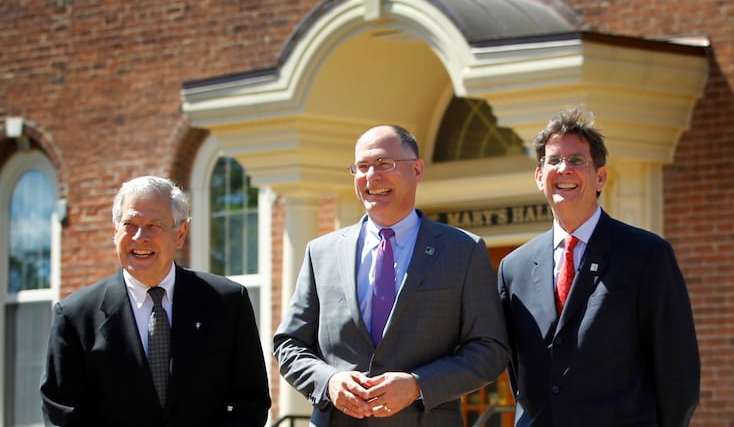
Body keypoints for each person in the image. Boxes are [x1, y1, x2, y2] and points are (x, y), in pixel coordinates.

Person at [274, 124, 510, 426]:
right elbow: (289, 344)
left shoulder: (463, 250)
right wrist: (329, 382)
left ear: (417, 170)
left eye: (385, 164)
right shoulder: (321, 252)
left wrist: (417, 385)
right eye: (362, 167)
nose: (372, 176)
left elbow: (490, 349)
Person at [498, 107, 700, 426]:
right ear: (539, 177)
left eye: (577, 160)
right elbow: (517, 371)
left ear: (600, 177)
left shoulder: (646, 255)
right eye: (554, 160)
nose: (564, 169)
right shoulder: (513, 268)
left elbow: (678, 371)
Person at [40, 176, 271, 426]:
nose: (140, 236)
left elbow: (251, 402)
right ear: (115, 231)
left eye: (154, 225)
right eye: (129, 224)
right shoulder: (75, 317)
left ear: (180, 233)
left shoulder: (227, 303)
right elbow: (62, 413)